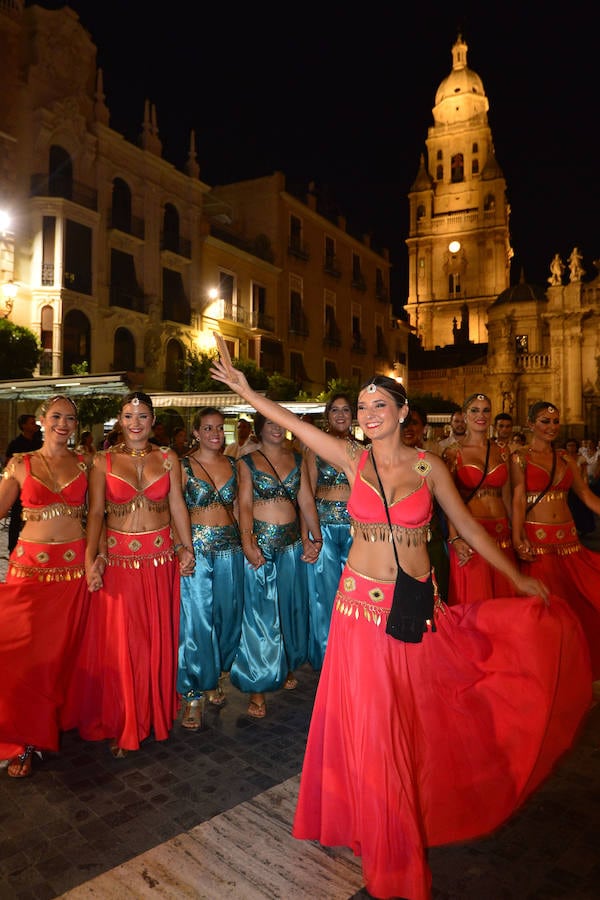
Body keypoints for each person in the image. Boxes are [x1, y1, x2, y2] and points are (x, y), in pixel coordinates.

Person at [211, 348, 591, 900]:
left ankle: (414, 803)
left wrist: (518, 574)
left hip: (413, 610)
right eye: (363, 405)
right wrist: (246, 391)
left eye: (378, 404)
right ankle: (380, 826)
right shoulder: (351, 460)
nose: (368, 413)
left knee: (419, 710)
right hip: (360, 612)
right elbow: (291, 424)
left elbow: (468, 527)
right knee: (374, 718)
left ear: (402, 410)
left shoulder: (428, 466)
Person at [73, 391, 195, 757]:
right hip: (121, 566)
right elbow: (95, 513)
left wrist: (186, 547)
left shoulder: (168, 458)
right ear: (120, 420)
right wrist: (90, 559)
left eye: (142, 416)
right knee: (126, 645)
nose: (136, 423)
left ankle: (150, 713)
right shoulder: (102, 461)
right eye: (129, 416)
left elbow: (177, 505)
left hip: (160, 564)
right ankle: (126, 721)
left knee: (155, 642)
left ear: (152, 419)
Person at [0, 396, 92, 777]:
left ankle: (50, 727)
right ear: (40, 420)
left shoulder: (88, 464)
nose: (63, 423)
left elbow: (105, 510)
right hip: (29, 576)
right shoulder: (20, 464)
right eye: (55, 416)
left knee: (62, 659)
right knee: (21, 659)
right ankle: (20, 740)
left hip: (73, 578)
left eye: (70, 418)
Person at [230, 410, 322, 717]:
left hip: (293, 545)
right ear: (259, 428)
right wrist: (247, 541)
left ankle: (283, 665)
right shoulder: (246, 462)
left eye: (281, 423)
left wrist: (315, 537)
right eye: (270, 422)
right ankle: (257, 686)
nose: (277, 428)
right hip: (262, 546)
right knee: (259, 617)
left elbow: (306, 500)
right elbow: (243, 503)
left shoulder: (297, 460)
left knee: (289, 608)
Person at [511, 401, 600, 678]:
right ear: (530, 424)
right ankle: (548, 670)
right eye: (544, 421)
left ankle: (577, 667)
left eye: (555, 421)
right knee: (547, 610)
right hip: (538, 546)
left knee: (582, 602)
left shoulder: (566, 459)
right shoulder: (519, 457)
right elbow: (517, 499)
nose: (551, 427)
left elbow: (586, 496)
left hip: (569, 543)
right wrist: (517, 538)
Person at [176, 407, 244, 727]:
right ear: (196, 433)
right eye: (207, 428)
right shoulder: (183, 466)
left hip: (231, 550)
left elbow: (241, 509)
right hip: (197, 552)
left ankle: (214, 676)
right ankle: (192, 694)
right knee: (197, 624)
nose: (215, 433)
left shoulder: (234, 465)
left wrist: (249, 544)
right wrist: (182, 549)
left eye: (219, 428)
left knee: (227, 619)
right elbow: (173, 511)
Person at [443, 393, 517, 604]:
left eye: (485, 410)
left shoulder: (502, 451)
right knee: (476, 600)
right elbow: (449, 502)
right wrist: (455, 538)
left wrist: (517, 533)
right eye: (474, 410)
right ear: (465, 416)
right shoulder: (452, 453)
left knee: (505, 598)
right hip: (470, 535)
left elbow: (507, 496)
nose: (480, 415)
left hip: (502, 534)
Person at [304, 393, 359, 669]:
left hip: (356, 531)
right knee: (325, 596)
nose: (340, 415)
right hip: (324, 529)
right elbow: (307, 495)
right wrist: (308, 536)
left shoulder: (363, 449)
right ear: (327, 415)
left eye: (346, 410)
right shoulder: (315, 449)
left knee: (355, 593)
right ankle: (329, 658)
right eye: (334, 410)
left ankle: (355, 652)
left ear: (353, 415)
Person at [401, 405, 450, 602]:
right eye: (404, 423)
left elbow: (449, 508)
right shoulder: (384, 463)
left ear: (424, 427)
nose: (408, 428)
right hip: (398, 547)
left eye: (414, 423)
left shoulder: (432, 463)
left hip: (431, 543)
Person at [4, 413, 43, 553]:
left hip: (37, 485)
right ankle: (12, 548)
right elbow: (8, 462)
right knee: (16, 517)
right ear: (24, 426)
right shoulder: (16, 443)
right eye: (31, 423)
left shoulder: (39, 443)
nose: (34, 425)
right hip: (19, 487)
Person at [565, 438, 596, 536]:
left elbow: (584, 473)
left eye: (573, 445)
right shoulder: (563, 458)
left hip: (578, 485)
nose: (571, 448)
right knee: (569, 508)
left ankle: (582, 527)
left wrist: (585, 484)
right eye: (569, 445)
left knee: (580, 508)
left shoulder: (581, 458)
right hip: (567, 486)